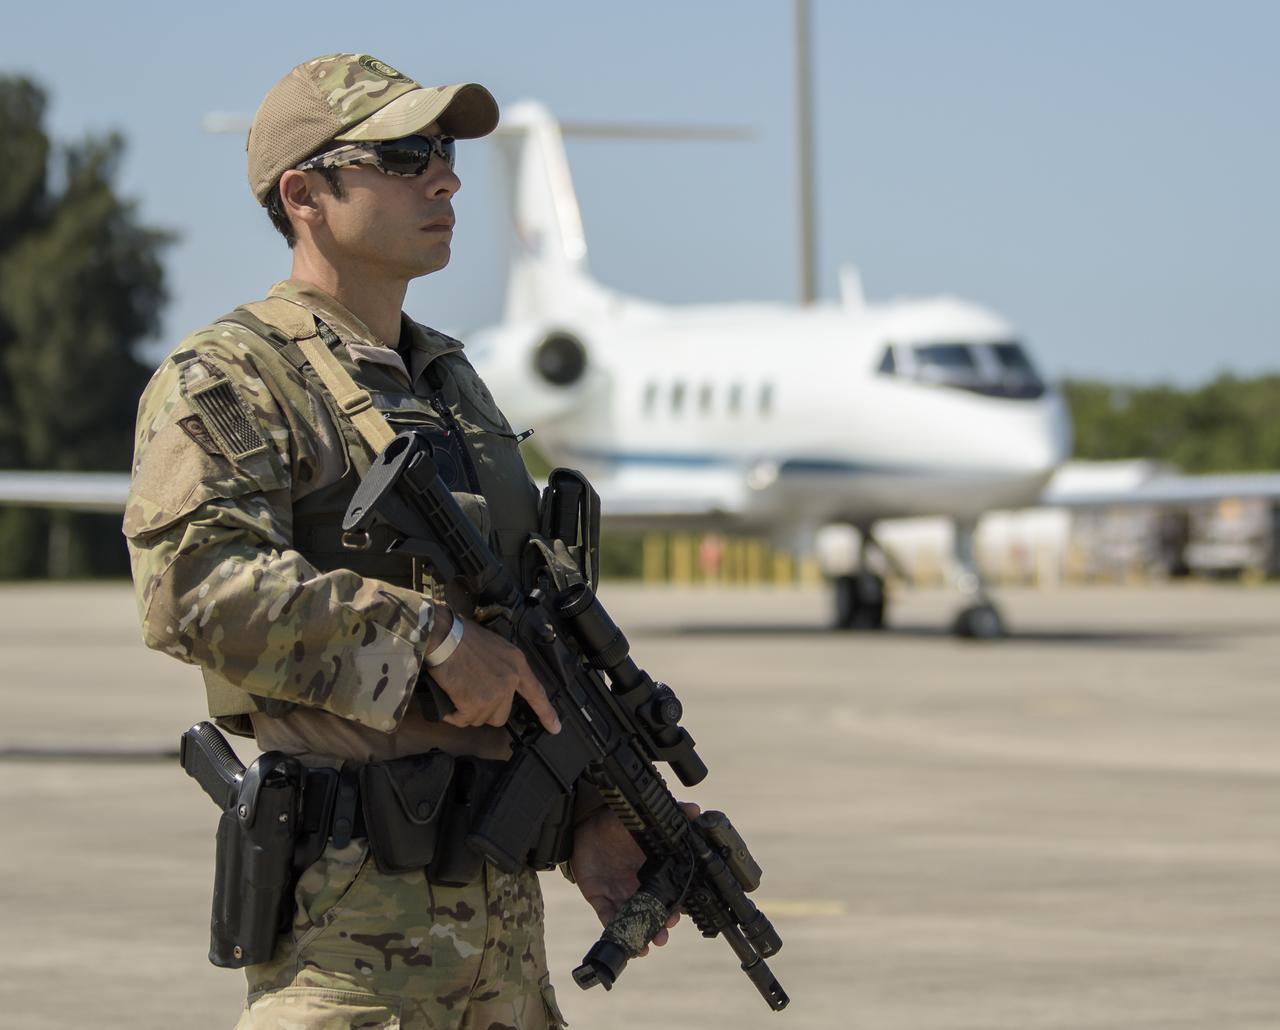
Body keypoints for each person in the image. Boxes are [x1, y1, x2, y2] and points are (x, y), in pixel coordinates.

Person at [124, 53, 676, 1029]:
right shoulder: (233, 379)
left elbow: (522, 640)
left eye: (448, 150)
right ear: (305, 194)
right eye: (405, 153)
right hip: (347, 956)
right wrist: (425, 642)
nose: (446, 176)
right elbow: (192, 588)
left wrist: (588, 815)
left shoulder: (453, 390)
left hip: (503, 953)